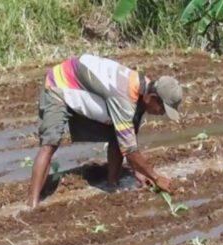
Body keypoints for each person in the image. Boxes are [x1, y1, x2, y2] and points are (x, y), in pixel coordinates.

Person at [27, 53, 183, 208]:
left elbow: (127, 138)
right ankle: (32, 204)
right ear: (152, 98)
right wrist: (156, 177)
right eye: (162, 108)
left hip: (82, 82)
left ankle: (112, 184)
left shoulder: (143, 87)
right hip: (59, 83)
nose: (162, 113)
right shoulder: (125, 97)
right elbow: (129, 150)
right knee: (50, 143)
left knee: (118, 132)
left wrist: (139, 171)